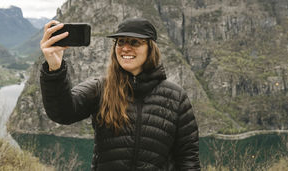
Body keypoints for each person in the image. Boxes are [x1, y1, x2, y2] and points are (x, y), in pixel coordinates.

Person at [39, 17, 200, 170]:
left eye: (135, 42)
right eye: (120, 42)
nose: (125, 48)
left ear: (151, 49)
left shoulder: (176, 97)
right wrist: (54, 68)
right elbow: (62, 113)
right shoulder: (101, 88)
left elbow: (188, 158)